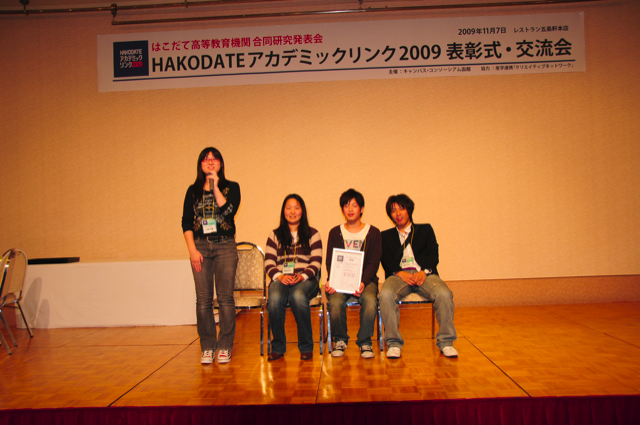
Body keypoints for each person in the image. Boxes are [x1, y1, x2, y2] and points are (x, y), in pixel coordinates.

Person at [379, 194, 458, 359]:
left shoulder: (425, 230)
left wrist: (424, 271)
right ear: (390, 215)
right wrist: (400, 273)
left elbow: (433, 254)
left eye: (401, 208)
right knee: (385, 295)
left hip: (425, 275)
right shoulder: (385, 235)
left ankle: (446, 342)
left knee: (443, 294)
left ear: (409, 210)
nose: (398, 213)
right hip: (398, 276)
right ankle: (393, 343)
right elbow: (385, 260)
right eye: (393, 210)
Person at [182, 147, 240, 365]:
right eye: (206, 159)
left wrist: (215, 186)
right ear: (200, 165)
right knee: (203, 299)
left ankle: (224, 346)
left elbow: (228, 213)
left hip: (225, 246)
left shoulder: (232, 187)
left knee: (225, 298)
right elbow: (186, 222)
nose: (210, 161)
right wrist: (192, 250)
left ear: (220, 164)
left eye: (214, 158)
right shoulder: (192, 191)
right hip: (200, 247)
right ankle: (207, 346)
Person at [325, 189, 382, 359]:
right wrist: (332, 280)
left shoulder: (374, 232)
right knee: (335, 302)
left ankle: (365, 341)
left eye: (354, 205)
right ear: (342, 209)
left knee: (370, 301)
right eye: (346, 205)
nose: (350, 209)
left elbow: (374, 262)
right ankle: (340, 340)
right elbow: (330, 261)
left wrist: (362, 281)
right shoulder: (335, 232)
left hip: (366, 281)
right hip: (341, 281)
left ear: (362, 209)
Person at [265, 194, 322, 361]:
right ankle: (278, 347)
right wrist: (280, 276)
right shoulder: (274, 235)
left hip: (306, 280)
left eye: (296, 208)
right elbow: (269, 262)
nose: (292, 212)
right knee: (274, 298)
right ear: (283, 211)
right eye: (288, 208)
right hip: (281, 278)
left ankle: (306, 347)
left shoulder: (313, 234)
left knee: (297, 296)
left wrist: (302, 276)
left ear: (302, 211)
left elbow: (316, 262)